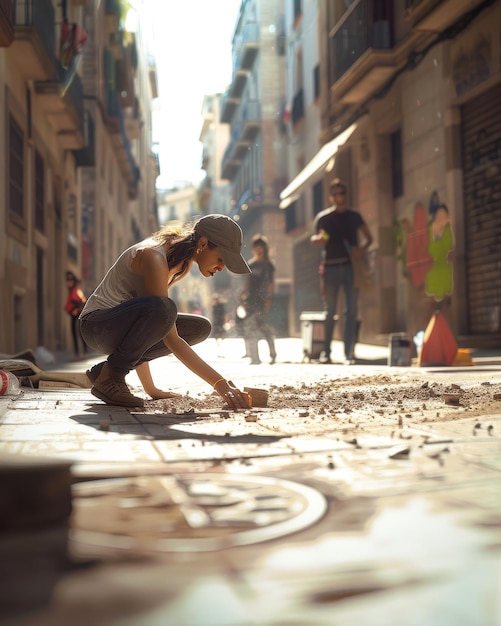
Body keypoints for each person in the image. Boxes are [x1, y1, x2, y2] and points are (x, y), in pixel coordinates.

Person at [79, 214, 252, 409]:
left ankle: (105, 371)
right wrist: (220, 383)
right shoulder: (154, 257)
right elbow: (166, 331)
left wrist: (151, 390)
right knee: (165, 310)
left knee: (198, 327)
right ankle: (111, 377)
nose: (221, 267)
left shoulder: (181, 265)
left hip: (118, 327)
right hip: (97, 325)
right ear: (203, 244)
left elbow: (147, 328)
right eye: (221, 259)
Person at [310, 178, 373, 364]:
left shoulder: (354, 216)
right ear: (331, 197)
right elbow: (314, 239)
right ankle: (326, 352)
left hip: (350, 267)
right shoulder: (323, 218)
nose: (339, 196)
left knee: (351, 311)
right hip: (329, 267)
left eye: (342, 193)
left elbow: (369, 237)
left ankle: (349, 353)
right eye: (336, 193)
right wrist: (320, 239)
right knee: (329, 311)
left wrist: (362, 249)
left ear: (345, 195)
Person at [241, 234, 277, 365]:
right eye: (256, 246)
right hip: (251, 300)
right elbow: (247, 285)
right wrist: (244, 300)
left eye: (261, 246)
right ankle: (255, 358)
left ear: (265, 248)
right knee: (250, 327)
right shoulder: (250, 264)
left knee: (263, 326)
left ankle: (273, 353)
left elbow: (271, 283)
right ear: (253, 248)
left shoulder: (268, 265)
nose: (258, 249)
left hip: (262, 299)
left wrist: (269, 298)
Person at [65, 271, 88, 360]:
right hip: (73, 314)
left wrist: (76, 309)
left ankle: (83, 353)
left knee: (79, 332)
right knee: (74, 333)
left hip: (77, 314)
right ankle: (77, 353)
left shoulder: (77, 290)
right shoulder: (71, 291)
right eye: (67, 279)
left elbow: (82, 301)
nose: (68, 281)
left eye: (70, 279)